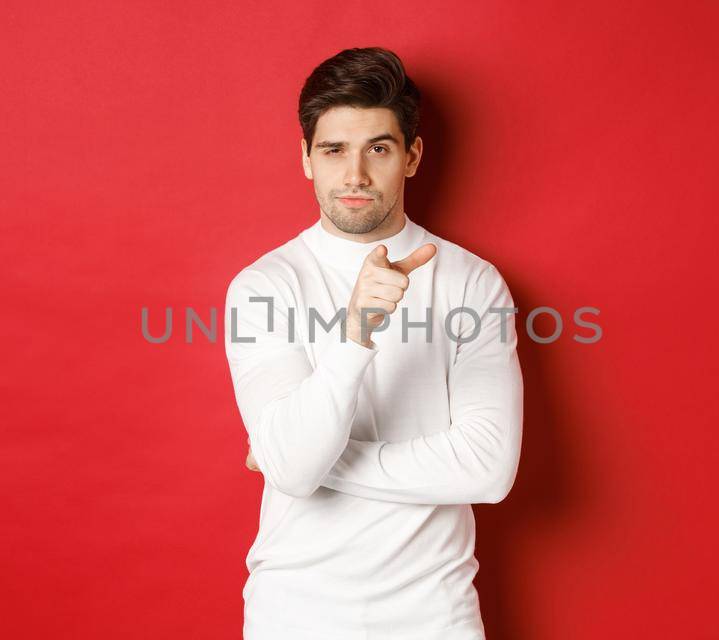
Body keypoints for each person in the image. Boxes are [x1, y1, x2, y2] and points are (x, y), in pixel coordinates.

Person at [223, 46, 524, 639]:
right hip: (295, 612)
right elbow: (293, 464)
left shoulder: (472, 281)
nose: (355, 175)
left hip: (436, 615)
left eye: (378, 148)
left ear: (411, 156)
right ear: (307, 158)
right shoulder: (264, 285)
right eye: (334, 150)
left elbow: (488, 471)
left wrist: (301, 463)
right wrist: (356, 332)